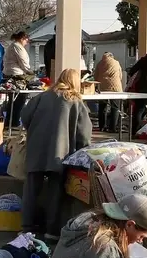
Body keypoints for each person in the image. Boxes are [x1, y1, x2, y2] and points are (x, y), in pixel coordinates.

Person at [19, 68, 93, 242]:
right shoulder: (76, 102)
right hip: (60, 154)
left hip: (36, 149)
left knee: (31, 189)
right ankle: (51, 231)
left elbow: (24, 116)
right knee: (56, 192)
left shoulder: (42, 96)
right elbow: (84, 134)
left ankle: (26, 228)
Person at [92, 51, 123, 133]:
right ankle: (112, 127)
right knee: (115, 108)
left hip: (102, 88)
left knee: (102, 108)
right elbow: (120, 75)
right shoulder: (116, 63)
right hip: (116, 88)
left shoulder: (99, 63)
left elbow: (96, 76)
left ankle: (102, 126)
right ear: (112, 56)